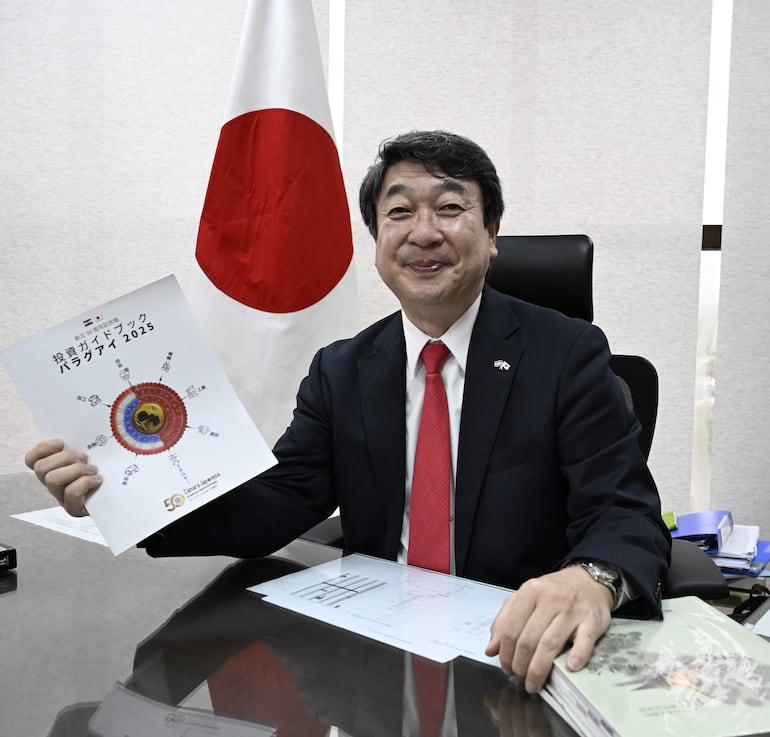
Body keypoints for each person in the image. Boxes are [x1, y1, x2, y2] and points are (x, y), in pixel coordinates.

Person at [25, 130, 670, 695]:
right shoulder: (342, 369)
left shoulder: (567, 354)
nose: (423, 232)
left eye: (450, 208)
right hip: (377, 659)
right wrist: (129, 494)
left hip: (513, 653)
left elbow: (624, 509)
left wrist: (591, 579)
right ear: (378, 240)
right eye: (399, 212)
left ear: (492, 233)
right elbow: (276, 503)